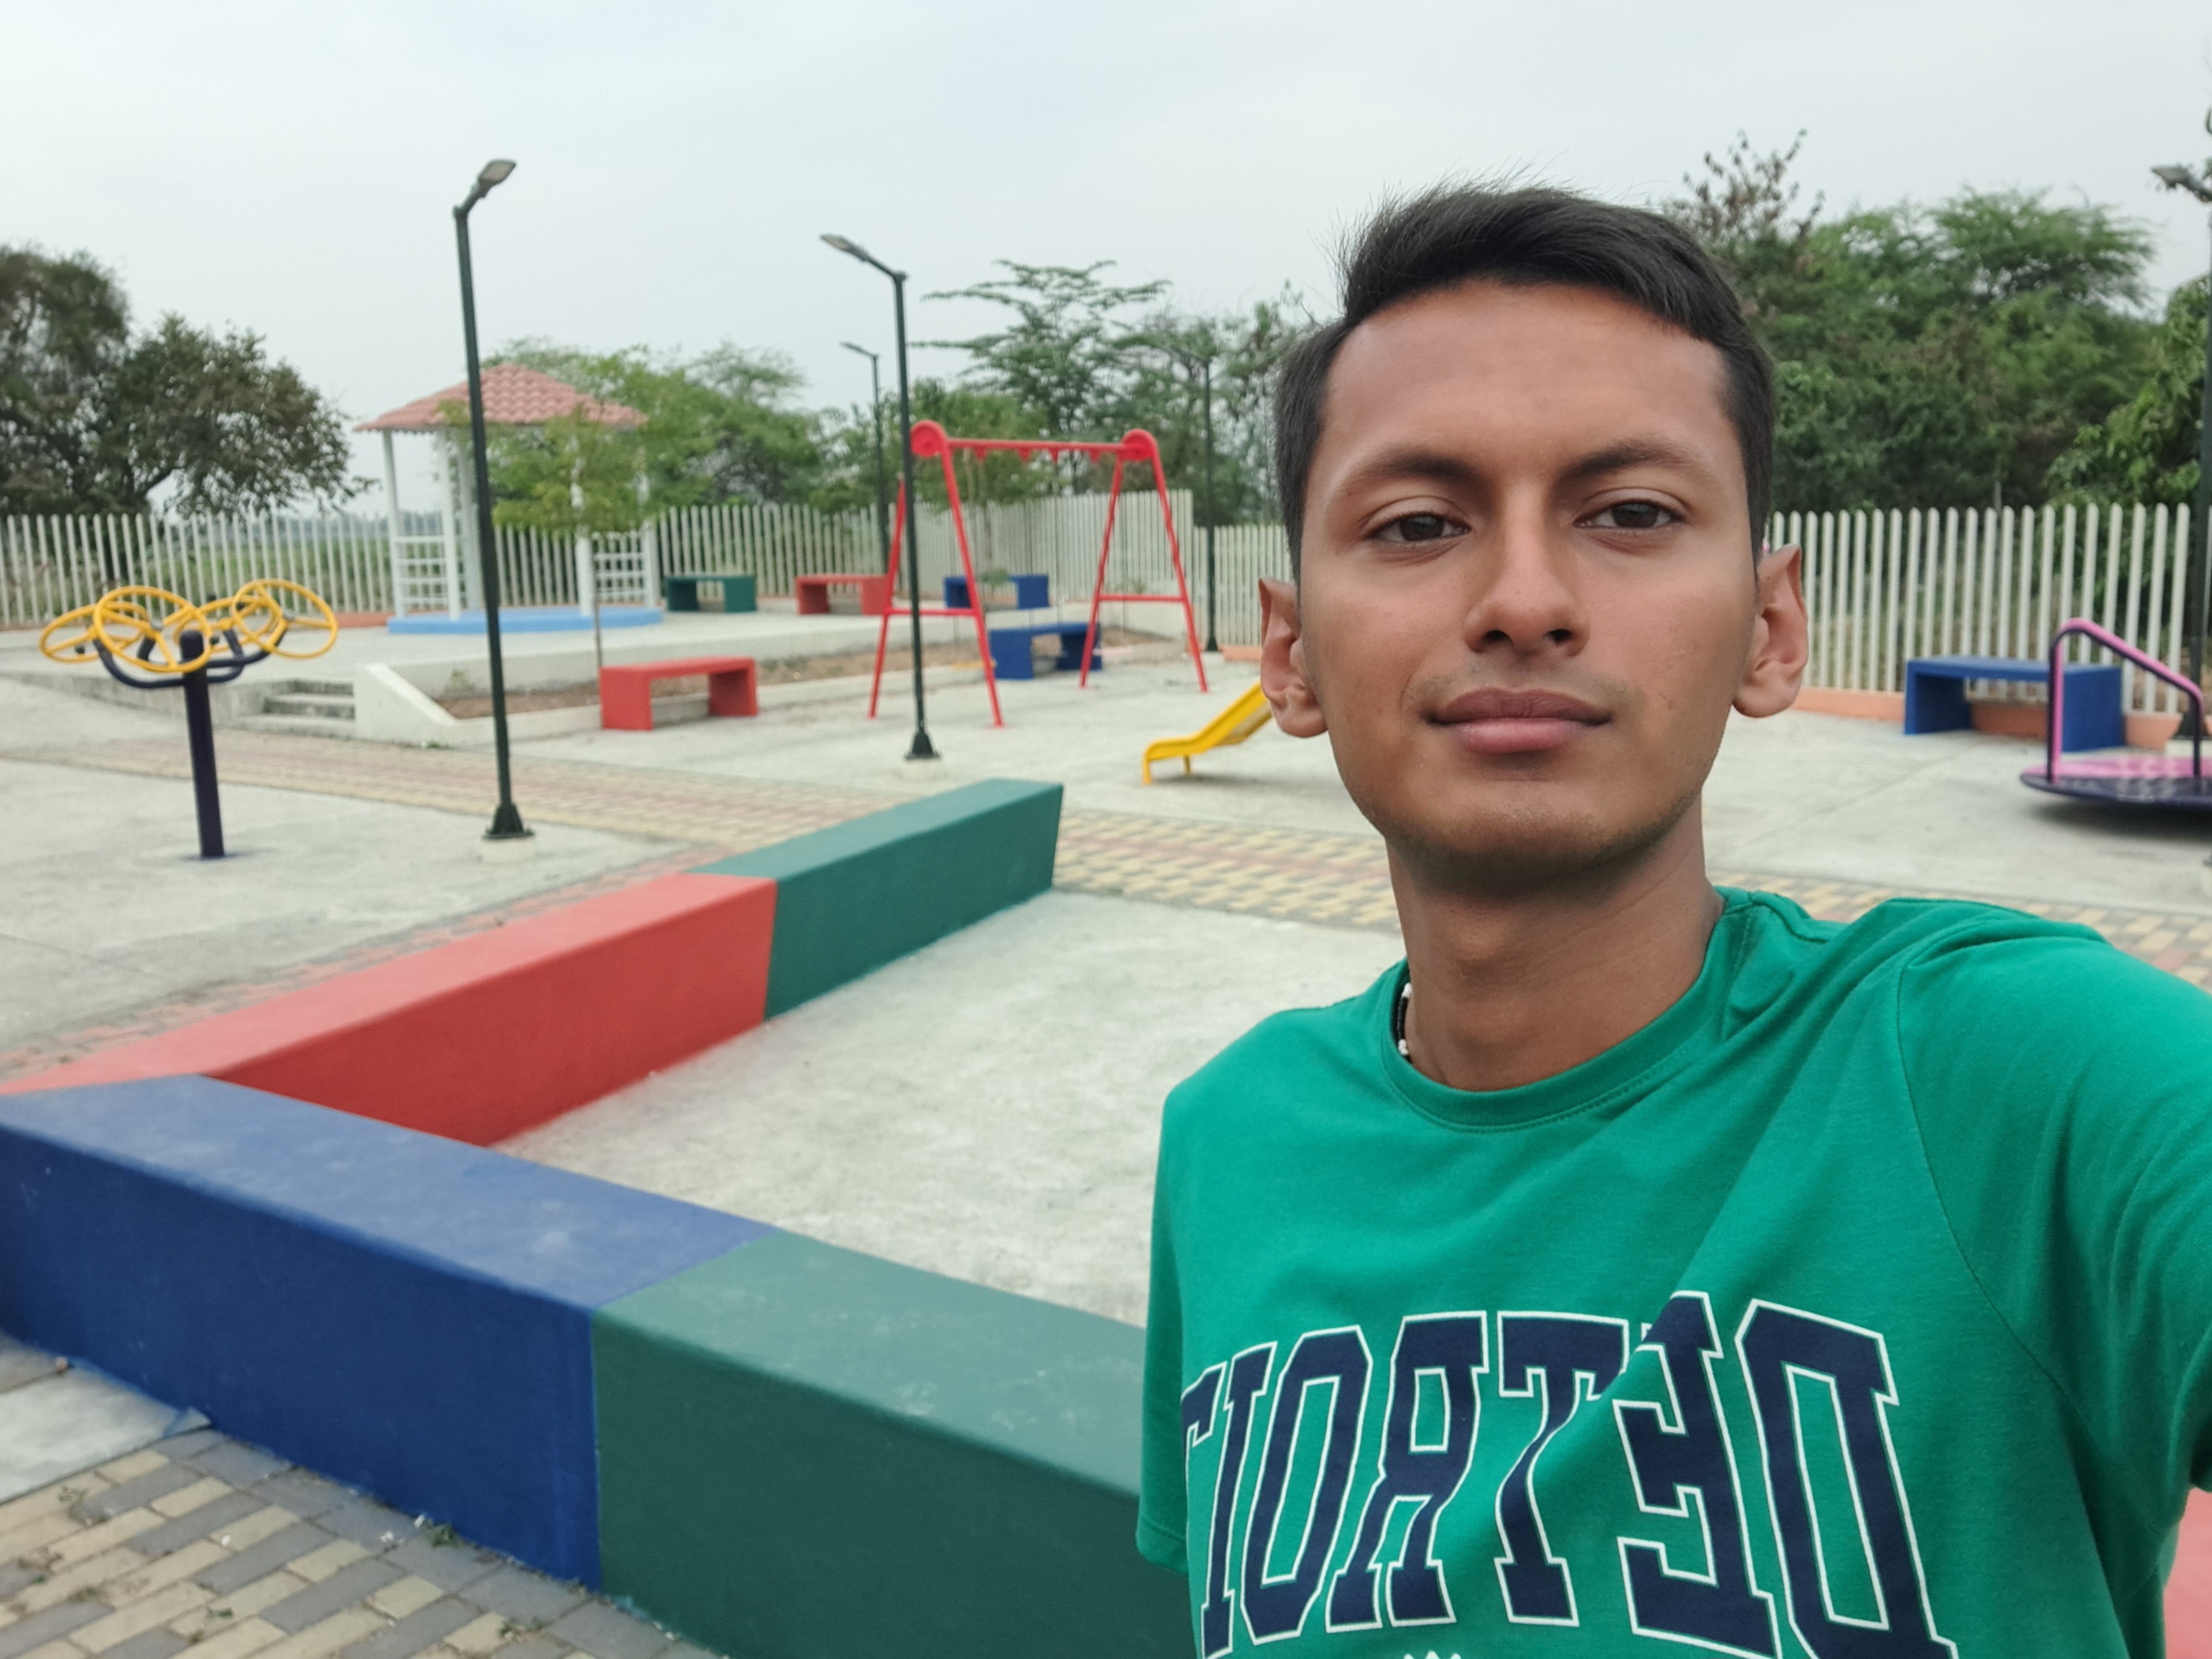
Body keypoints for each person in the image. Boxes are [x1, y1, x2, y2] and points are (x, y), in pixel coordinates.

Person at [1137, 183, 2212, 1658]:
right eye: (1416, 523)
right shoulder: (1228, 1137)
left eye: (1631, 514)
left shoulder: (2009, 1076)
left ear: (1769, 628)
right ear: (1289, 653)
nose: (1524, 601)